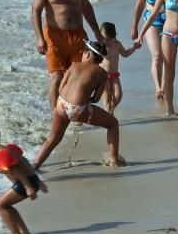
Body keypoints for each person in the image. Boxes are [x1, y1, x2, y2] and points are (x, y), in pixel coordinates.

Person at [33, 40, 124, 169]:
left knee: (52, 139)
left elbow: (60, 89)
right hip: (77, 109)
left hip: (60, 105)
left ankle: (35, 165)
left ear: (86, 54)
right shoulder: (102, 73)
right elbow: (96, 98)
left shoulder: (74, 65)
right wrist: (86, 99)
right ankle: (114, 160)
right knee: (113, 124)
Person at [32, 0, 103, 109]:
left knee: (78, 78)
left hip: (78, 35)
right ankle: (56, 116)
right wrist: (39, 38)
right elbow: (35, 11)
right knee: (57, 78)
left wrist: (96, 31)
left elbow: (85, 6)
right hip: (54, 37)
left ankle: (76, 113)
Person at [0, 122, 48, 234]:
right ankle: (24, 232)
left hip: (25, 183)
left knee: (0, 205)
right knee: (6, 206)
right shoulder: (6, 149)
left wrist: (28, 187)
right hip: (30, 180)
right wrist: (37, 181)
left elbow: (16, 169)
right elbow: (24, 161)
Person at [130, 0, 170, 101]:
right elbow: (139, 5)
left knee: (166, 58)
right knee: (157, 56)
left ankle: (165, 88)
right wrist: (134, 26)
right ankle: (158, 87)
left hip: (168, 23)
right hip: (151, 22)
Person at [99, 22, 139, 115]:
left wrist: (134, 47)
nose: (106, 41)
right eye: (104, 38)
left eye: (109, 39)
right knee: (106, 97)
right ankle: (108, 115)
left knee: (118, 95)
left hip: (114, 75)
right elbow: (91, 58)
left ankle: (108, 112)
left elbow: (125, 54)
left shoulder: (117, 44)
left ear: (114, 36)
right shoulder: (100, 46)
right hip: (103, 76)